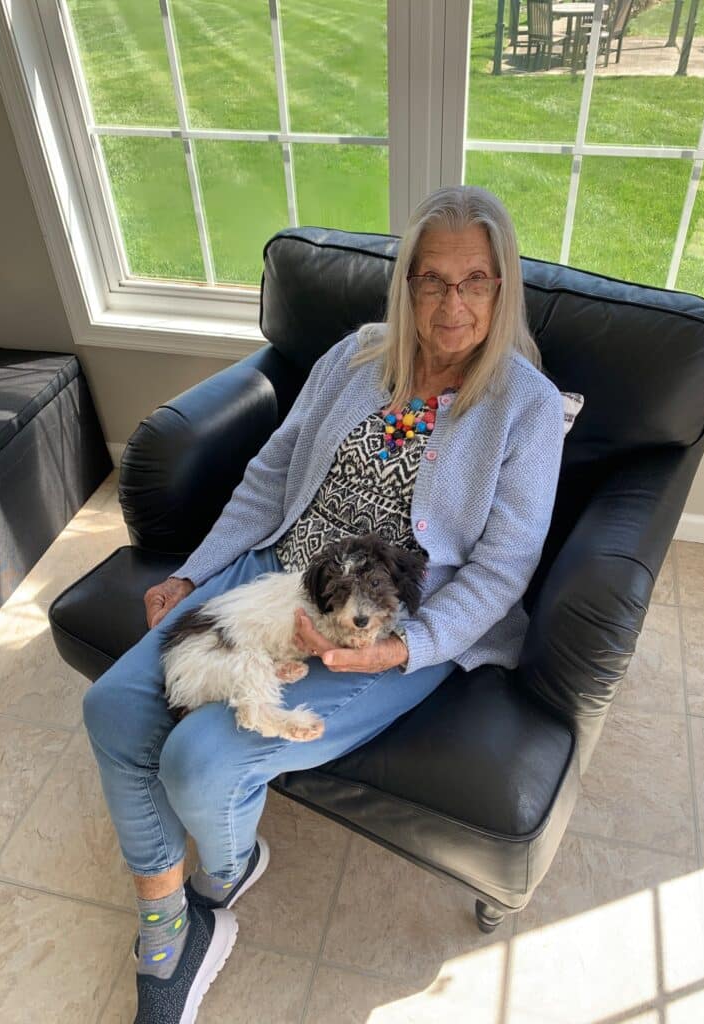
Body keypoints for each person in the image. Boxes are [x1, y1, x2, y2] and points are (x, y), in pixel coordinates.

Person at [82, 184, 565, 1023]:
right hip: (276, 578)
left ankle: (222, 877)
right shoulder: (355, 357)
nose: (452, 304)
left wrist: (396, 649)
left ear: (501, 288)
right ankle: (171, 920)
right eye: (433, 280)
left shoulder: (523, 407)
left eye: (476, 281)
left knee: (198, 760)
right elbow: (270, 478)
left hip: (396, 623)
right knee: (113, 711)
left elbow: (500, 573)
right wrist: (195, 574)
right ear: (406, 284)